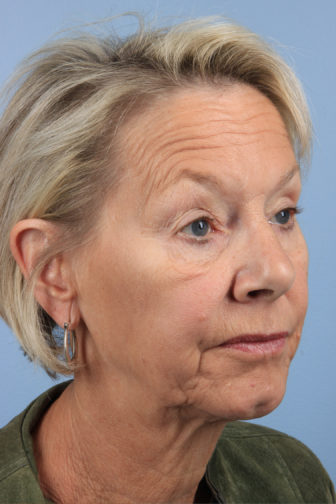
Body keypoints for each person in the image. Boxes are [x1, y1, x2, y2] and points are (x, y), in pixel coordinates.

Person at [0, 16, 334, 504]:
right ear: (55, 272)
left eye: (282, 214)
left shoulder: (290, 478)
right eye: (199, 226)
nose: (275, 273)